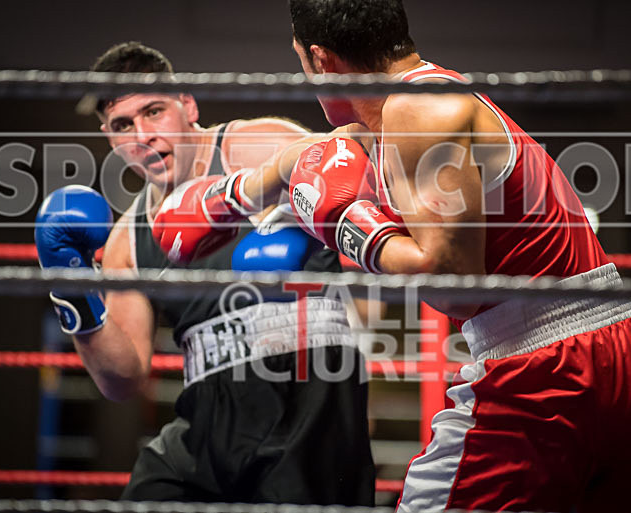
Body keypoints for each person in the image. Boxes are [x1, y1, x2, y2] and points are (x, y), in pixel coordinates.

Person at [150, 2, 631, 511]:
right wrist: (216, 201)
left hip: (542, 365)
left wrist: (349, 229)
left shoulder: (417, 109)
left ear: (320, 59)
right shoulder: (399, 115)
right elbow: (291, 167)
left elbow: (456, 284)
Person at [34, 41, 375, 505]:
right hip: (209, 415)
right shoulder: (127, 241)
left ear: (188, 105)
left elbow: (354, 156)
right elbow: (122, 380)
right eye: (123, 125)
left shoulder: (255, 146)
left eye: (153, 112)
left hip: (308, 395)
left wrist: (300, 229)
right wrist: (70, 287)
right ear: (109, 138)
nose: (142, 135)